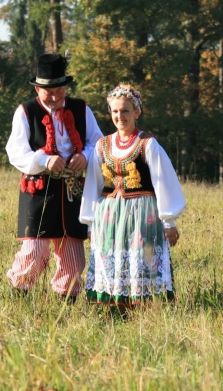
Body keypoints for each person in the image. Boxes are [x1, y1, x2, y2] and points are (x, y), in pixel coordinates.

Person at [6, 53, 103, 302]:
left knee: (73, 255)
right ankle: (19, 298)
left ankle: (65, 303)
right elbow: (15, 152)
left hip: (72, 190)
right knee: (34, 251)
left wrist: (85, 156)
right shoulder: (26, 111)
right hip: (38, 188)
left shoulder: (81, 109)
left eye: (59, 90)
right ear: (37, 89)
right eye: (48, 92)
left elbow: (98, 142)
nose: (55, 96)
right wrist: (44, 160)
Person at [79, 84, 186, 306]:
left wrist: (169, 222)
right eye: (115, 111)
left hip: (142, 215)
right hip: (109, 215)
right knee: (112, 258)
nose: (120, 116)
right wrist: (89, 223)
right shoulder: (102, 145)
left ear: (136, 112)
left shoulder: (148, 144)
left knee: (142, 258)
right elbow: (93, 184)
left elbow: (163, 182)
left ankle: (146, 306)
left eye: (125, 110)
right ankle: (115, 305)